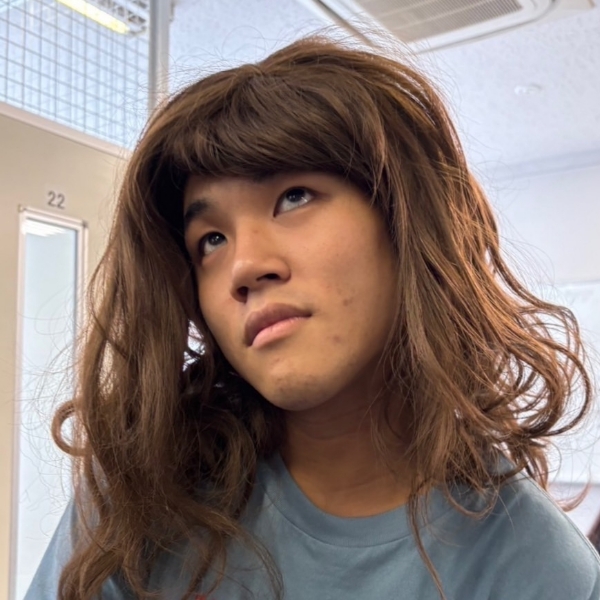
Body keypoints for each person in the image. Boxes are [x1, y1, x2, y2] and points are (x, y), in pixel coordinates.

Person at [26, 34, 600, 600]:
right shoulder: (146, 489)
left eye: (294, 197)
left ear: (406, 221)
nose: (244, 267)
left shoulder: (537, 566)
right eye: (211, 240)